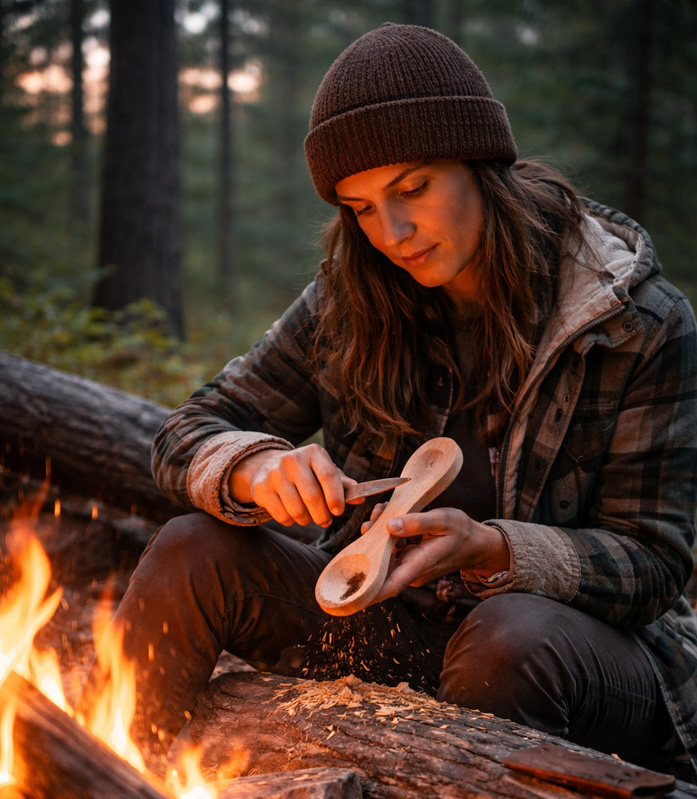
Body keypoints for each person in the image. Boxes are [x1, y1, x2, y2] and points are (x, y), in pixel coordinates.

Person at [80, 22, 697, 781]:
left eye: (412, 189)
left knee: (504, 637)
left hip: (577, 657)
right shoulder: (351, 297)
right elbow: (187, 433)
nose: (393, 232)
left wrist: (495, 550)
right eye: (361, 207)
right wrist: (256, 467)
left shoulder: (632, 320)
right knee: (189, 548)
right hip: (390, 629)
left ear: (480, 163)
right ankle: (104, 776)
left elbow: (653, 563)